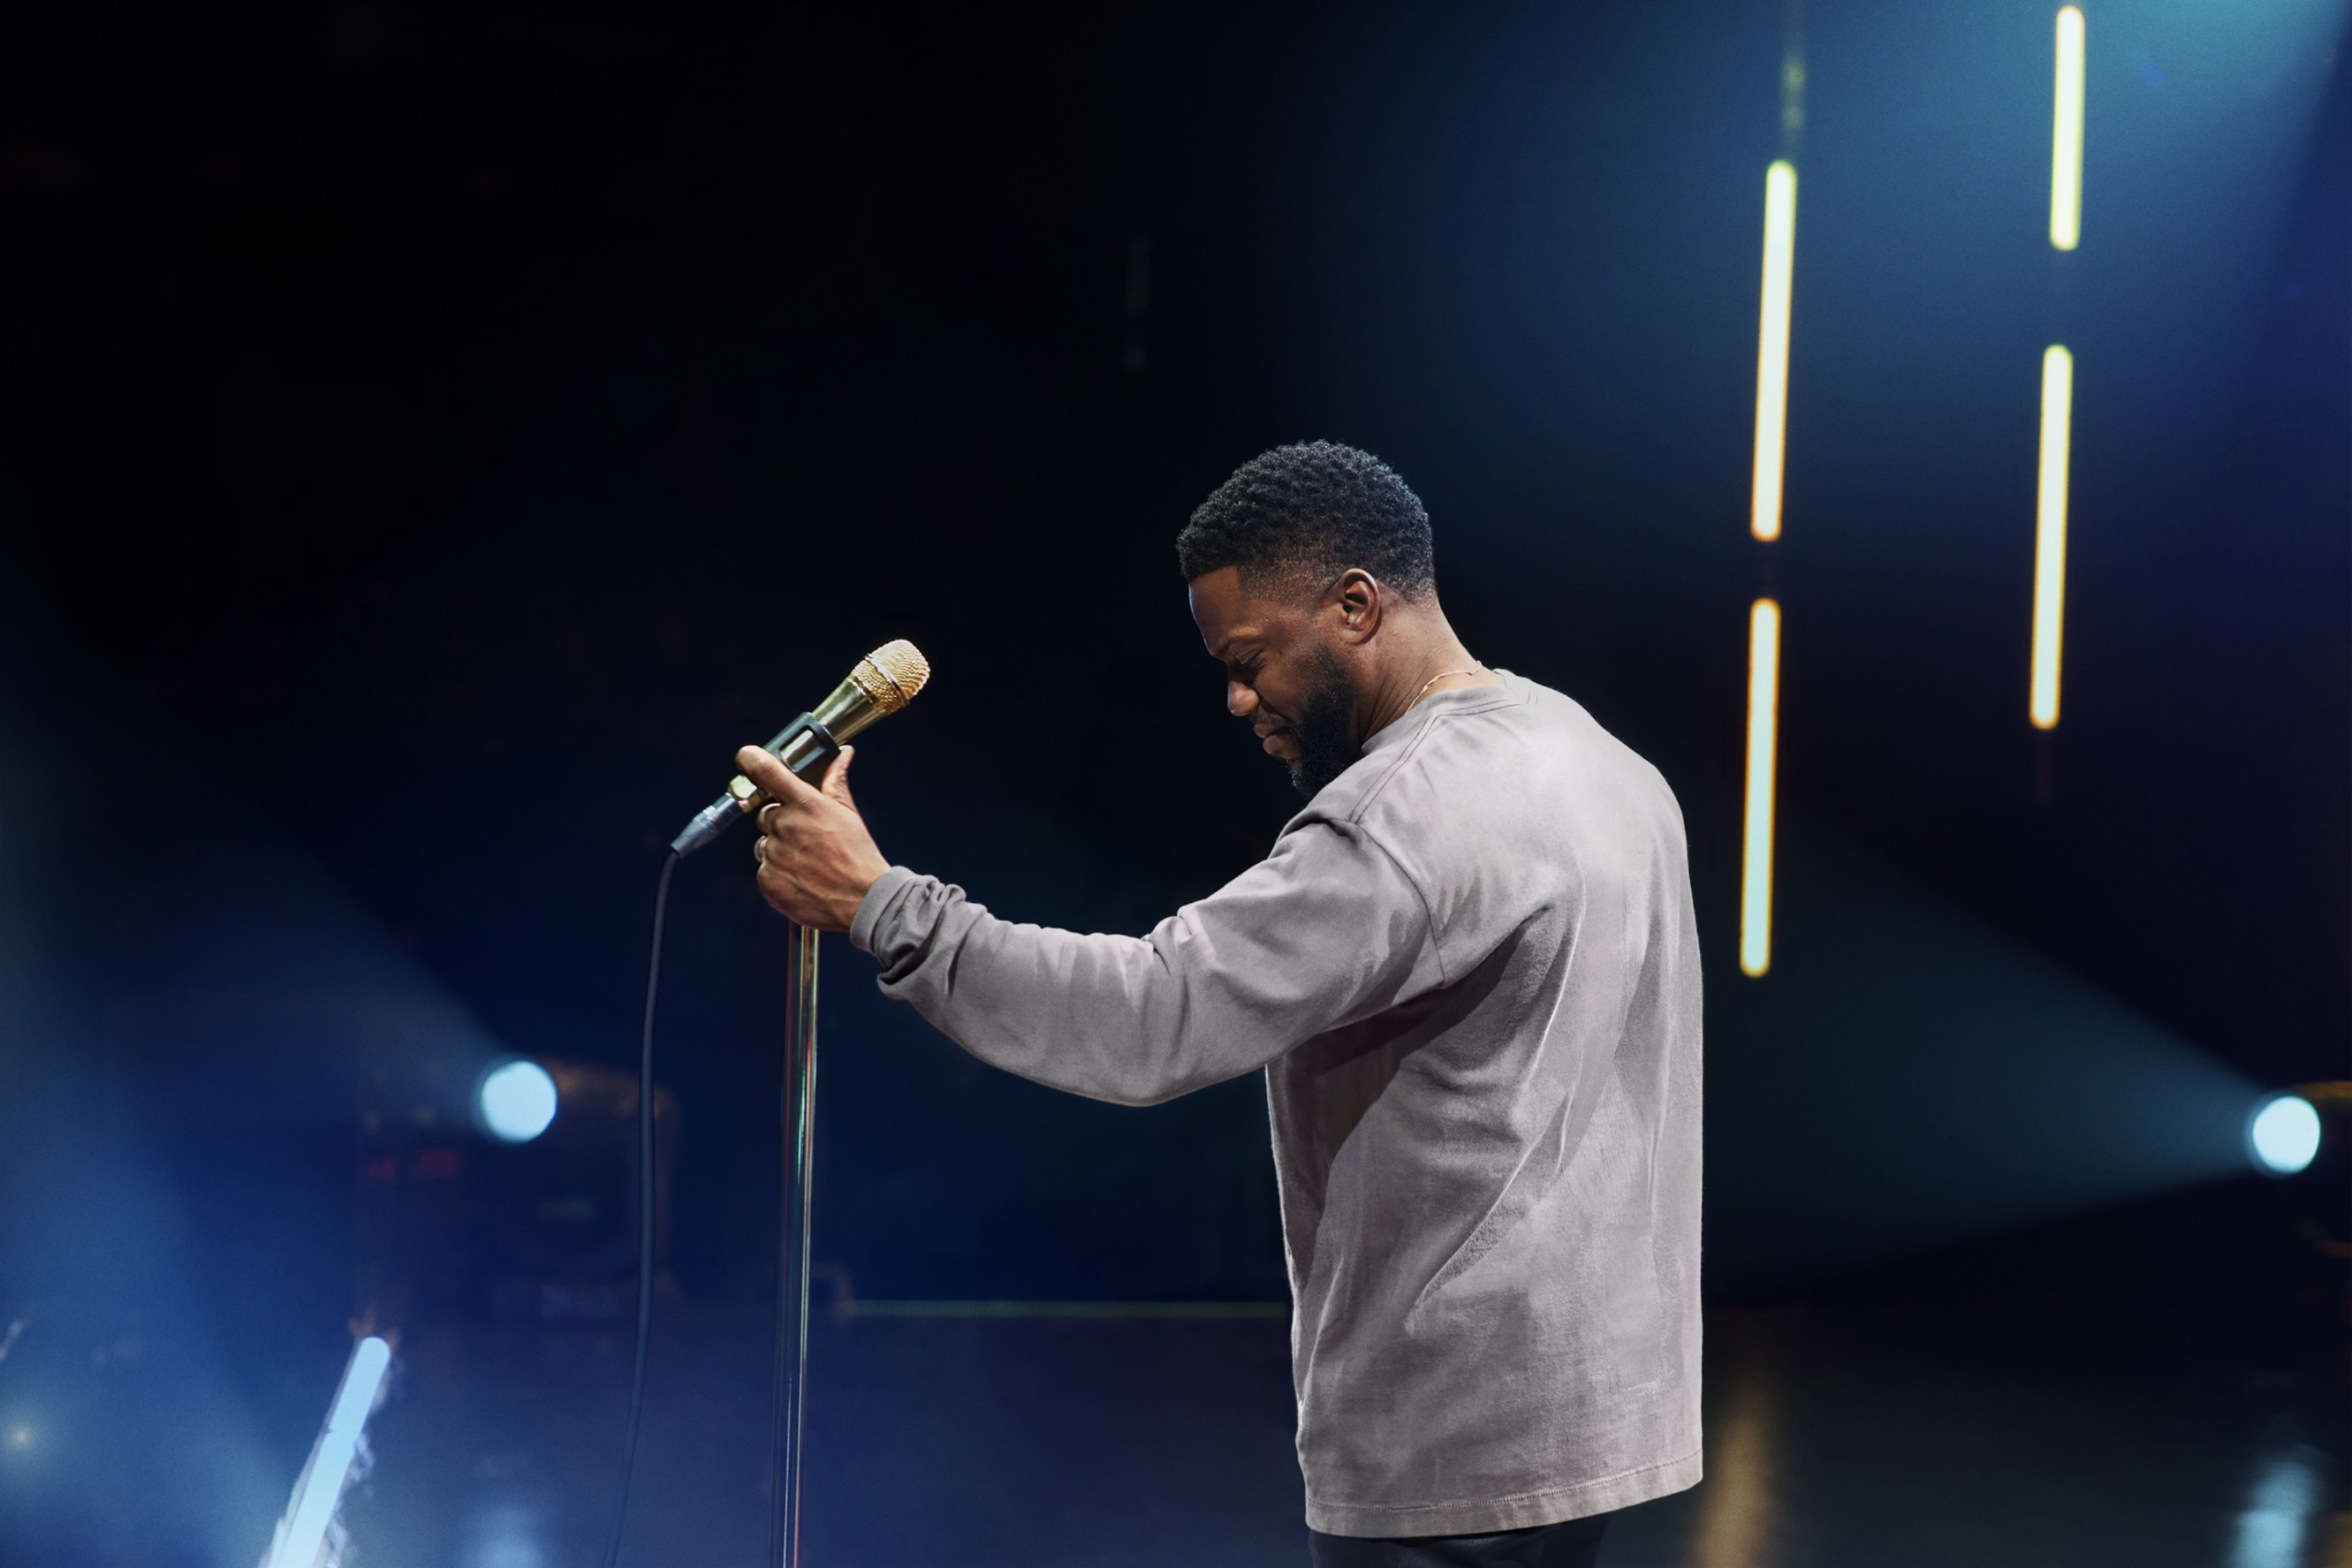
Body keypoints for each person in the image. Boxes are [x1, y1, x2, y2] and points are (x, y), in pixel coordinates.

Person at [740, 441, 1703, 1568]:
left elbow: (1153, 1016)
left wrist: (882, 904)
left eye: (1251, 657)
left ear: (1355, 604)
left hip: (1446, 1451)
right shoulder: (1602, 761)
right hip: (1590, 1419)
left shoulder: (1400, 815)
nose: (1237, 697)